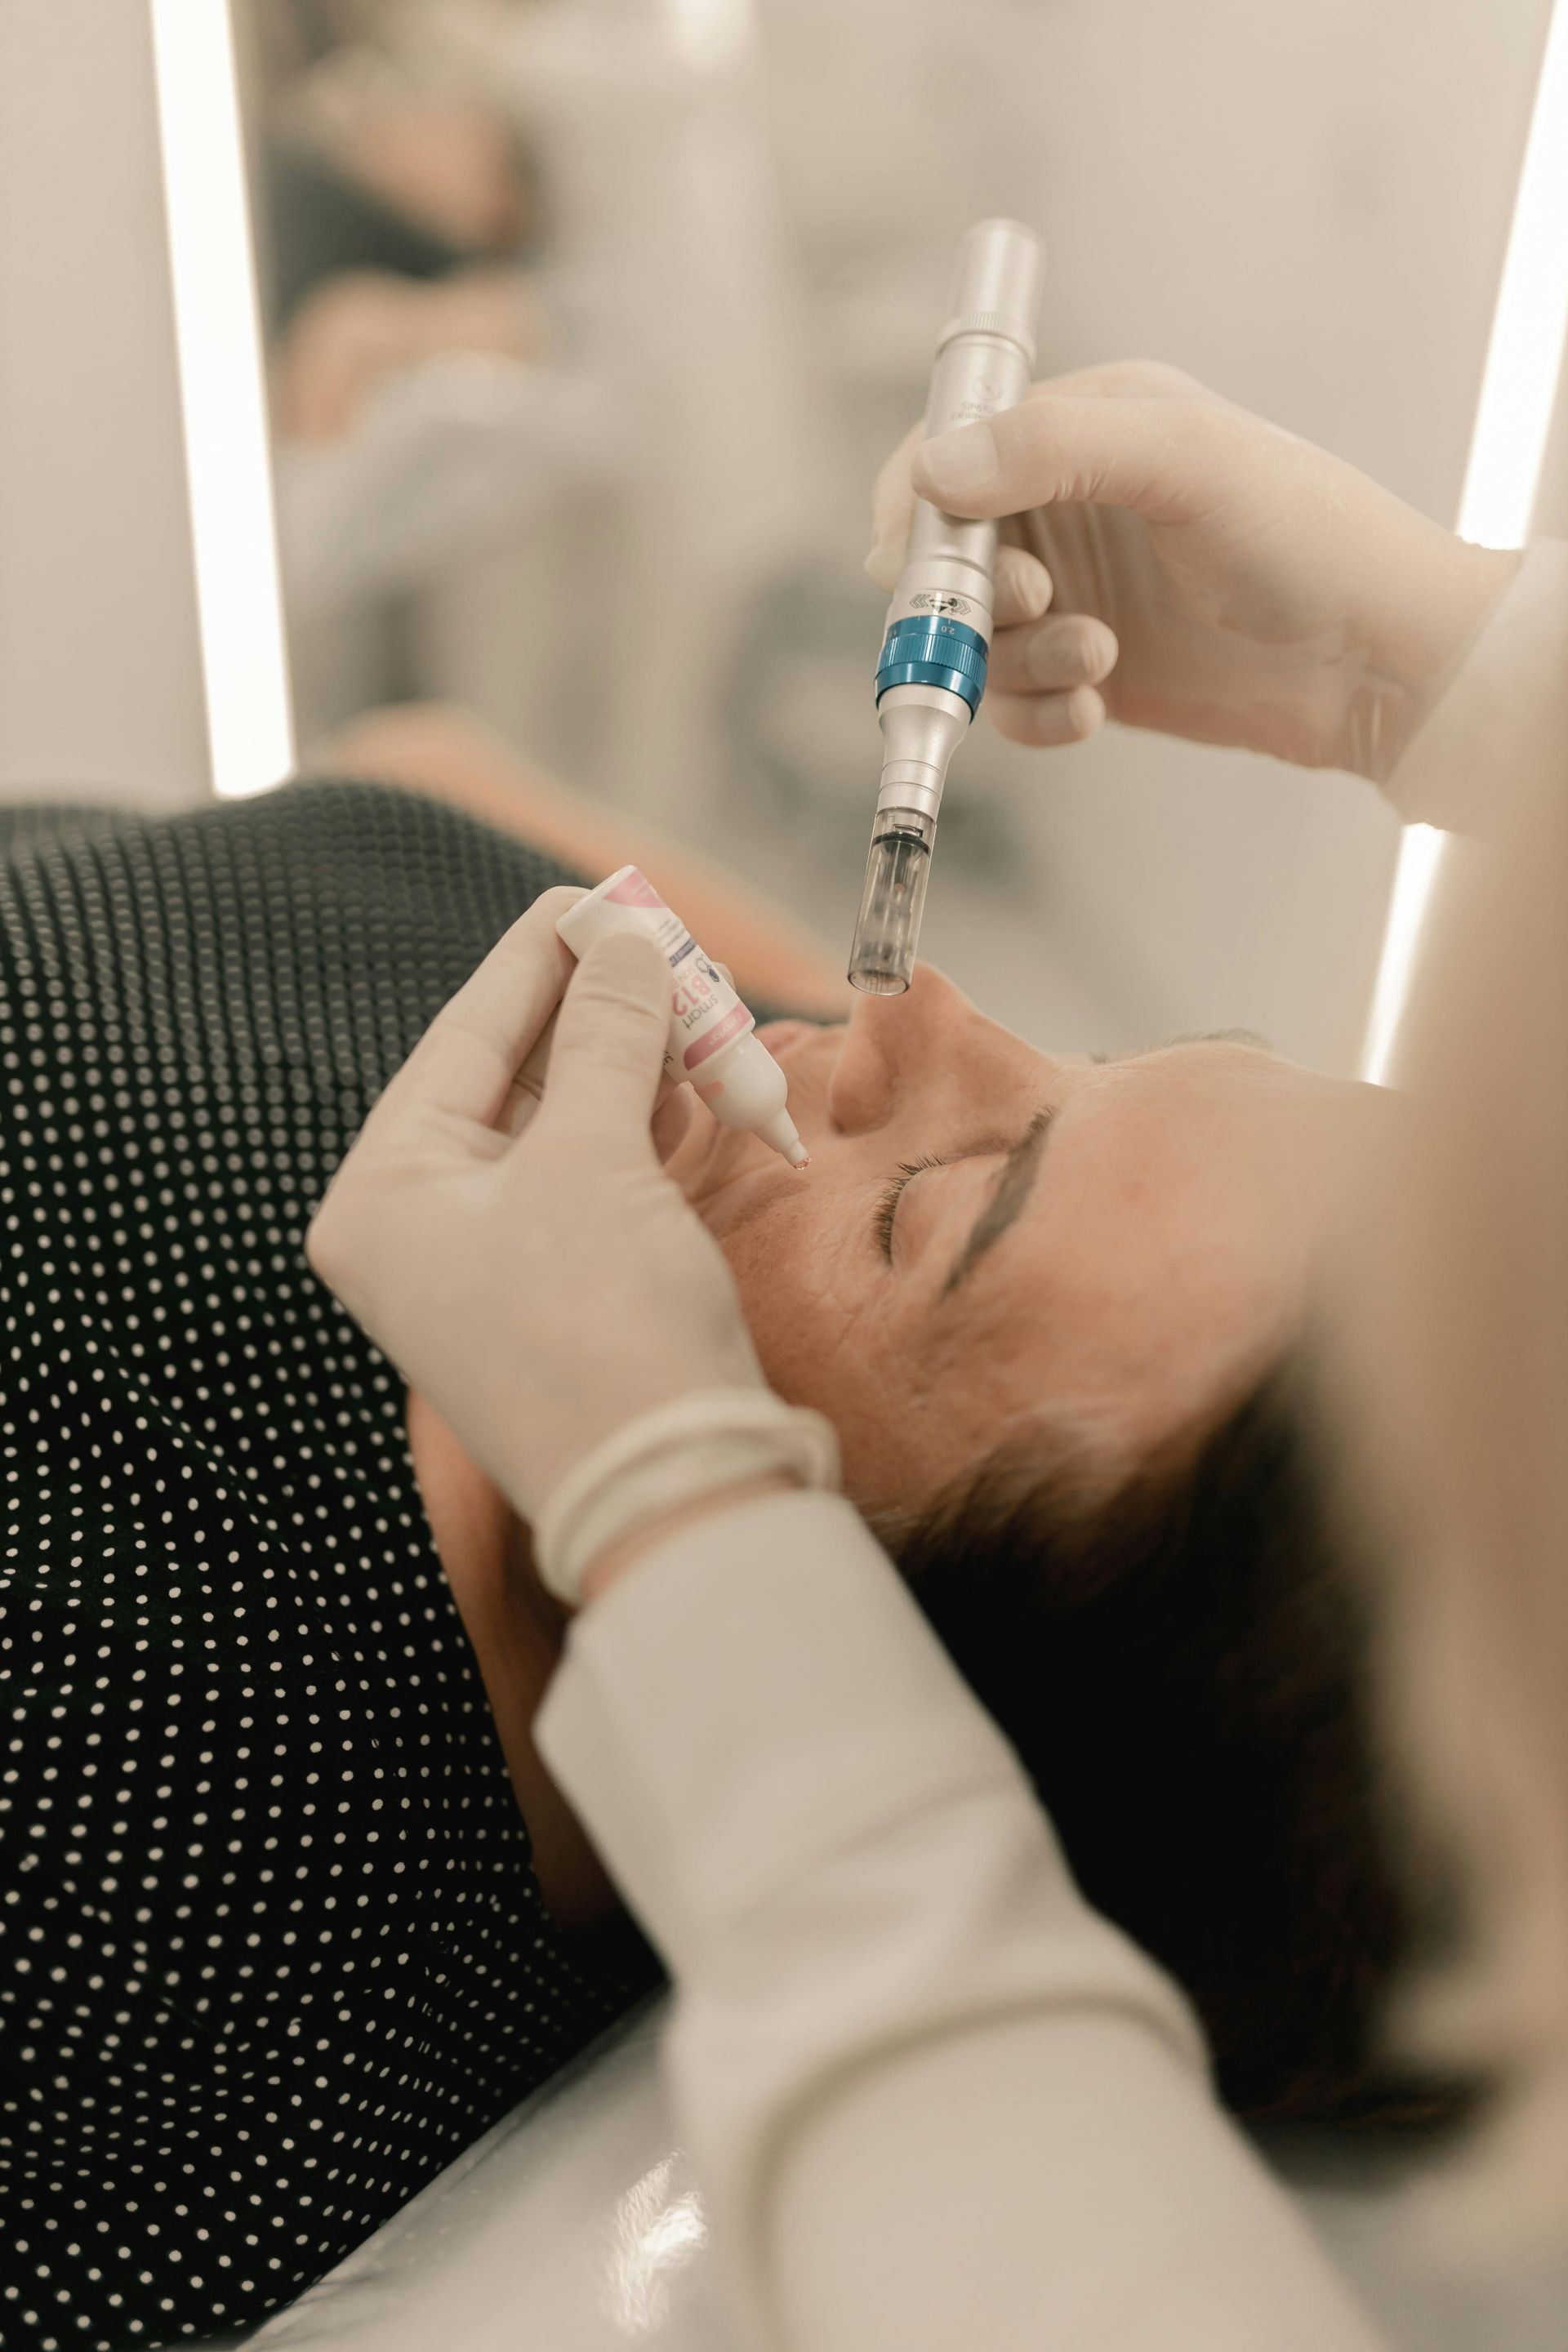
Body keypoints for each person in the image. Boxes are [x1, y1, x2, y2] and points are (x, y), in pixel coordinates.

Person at [305, 363, 1566, 2350]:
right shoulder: (760, 1117)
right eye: (1097, 1064)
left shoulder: (188, 1860)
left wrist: (650, 1487)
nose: (921, 1011)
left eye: (928, 1216)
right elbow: (410, 760)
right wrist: (1432, 672)